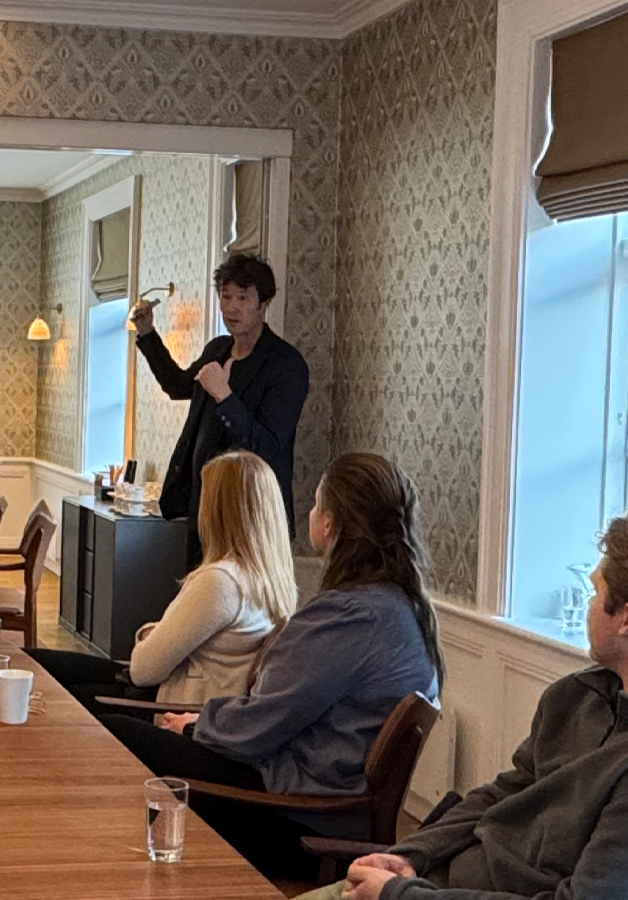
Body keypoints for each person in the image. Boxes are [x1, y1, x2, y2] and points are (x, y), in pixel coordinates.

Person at [303, 507, 628, 900]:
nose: (589, 604)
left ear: (626, 620)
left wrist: (401, 895)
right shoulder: (585, 696)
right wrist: (412, 855)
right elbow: (506, 794)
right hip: (437, 881)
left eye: (595, 592)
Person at [101, 453, 443, 880]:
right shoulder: (400, 607)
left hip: (300, 821)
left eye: (316, 503)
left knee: (113, 733)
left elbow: (261, 722)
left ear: (330, 523)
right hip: (320, 800)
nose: (311, 513)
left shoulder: (349, 616)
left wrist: (195, 726)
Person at [30, 451, 296, 718]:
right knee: (38, 662)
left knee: (44, 690)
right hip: (182, 694)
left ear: (217, 511)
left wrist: (149, 635)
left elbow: (142, 670)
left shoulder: (221, 583)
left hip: (167, 706)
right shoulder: (267, 578)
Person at [132, 254, 309, 566]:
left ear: (264, 302)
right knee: (198, 592)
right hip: (203, 508)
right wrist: (147, 334)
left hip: (252, 516)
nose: (232, 307)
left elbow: (266, 447)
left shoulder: (286, 365)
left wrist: (224, 396)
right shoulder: (217, 349)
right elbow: (177, 385)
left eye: (243, 297)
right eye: (226, 297)